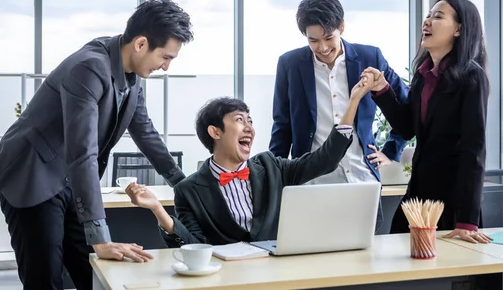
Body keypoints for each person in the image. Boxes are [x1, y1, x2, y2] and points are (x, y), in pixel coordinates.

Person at [0, 0, 193, 289]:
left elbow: (145, 132)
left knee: (93, 273)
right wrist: (102, 239)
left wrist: (185, 186)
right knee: (45, 275)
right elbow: (83, 152)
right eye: (166, 57)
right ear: (141, 44)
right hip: (30, 174)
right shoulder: (89, 68)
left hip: (66, 179)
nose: (166, 67)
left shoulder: (131, 77)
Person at [125, 73, 376, 246]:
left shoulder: (272, 166)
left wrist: (353, 101)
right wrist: (158, 210)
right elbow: (194, 246)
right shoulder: (188, 190)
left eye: (250, 121)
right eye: (239, 120)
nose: (249, 128)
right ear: (215, 132)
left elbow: (325, 160)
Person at [268, 0, 408, 233]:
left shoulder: (369, 57)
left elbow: (406, 105)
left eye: (328, 38)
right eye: (313, 40)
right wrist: (271, 179)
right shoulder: (289, 64)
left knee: (366, 263)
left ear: (341, 27)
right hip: (311, 185)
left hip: (362, 182)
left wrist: (391, 151)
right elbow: (282, 127)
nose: (322, 48)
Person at [362, 0, 492, 244]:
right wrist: (382, 90)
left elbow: (473, 149)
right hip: (418, 196)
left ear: (458, 29)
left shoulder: (472, 78)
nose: (427, 21)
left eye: (438, 16)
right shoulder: (423, 75)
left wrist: (467, 220)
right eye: (428, 15)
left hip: (452, 202)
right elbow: (407, 128)